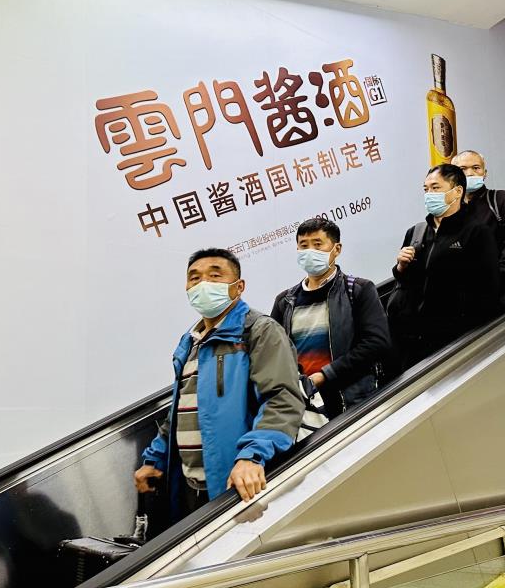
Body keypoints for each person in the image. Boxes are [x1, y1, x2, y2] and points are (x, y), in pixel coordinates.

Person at [134, 248, 303, 518]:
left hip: (239, 484)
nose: (203, 284)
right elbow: (180, 410)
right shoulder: (190, 341)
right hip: (190, 486)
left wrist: (251, 456)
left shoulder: (258, 331)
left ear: (239, 287)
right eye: (195, 278)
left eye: (215, 276)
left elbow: (282, 399)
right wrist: (156, 458)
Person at [269, 218, 392, 419]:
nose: (310, 251)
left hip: (353, 399)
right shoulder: (285, 302)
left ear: (337, 249)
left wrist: (325, 375)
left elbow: (377, 343)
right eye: (303, 245)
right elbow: (274, 354)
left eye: (317, 244)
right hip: (307, 407)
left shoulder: (358, 289)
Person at [386, 164, 500, 370]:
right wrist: (401, 267)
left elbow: (489, 289)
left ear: (457, 191)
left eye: (436, 188)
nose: (429, 194)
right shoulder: (416, 232)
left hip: (455, 339)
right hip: (414, 341)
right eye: (426, 189)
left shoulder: (476, 232)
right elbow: (408, 283)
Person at [453, 150, 505, 308]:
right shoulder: (451, 214)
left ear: (485, 173)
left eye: (476, 168)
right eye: (463, 169)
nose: (469, 173)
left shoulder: (502, 200)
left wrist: (494, 280)